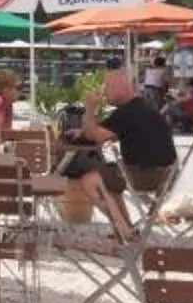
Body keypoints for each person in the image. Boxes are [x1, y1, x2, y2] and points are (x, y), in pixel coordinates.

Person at [58, 67, 177, 241]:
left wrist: (90, 109)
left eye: (108, 86)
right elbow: (109, 133)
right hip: (163, 174)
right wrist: (84, 132)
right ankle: (125, 229)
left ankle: (123, 230)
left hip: (147, 174)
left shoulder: (128, 112)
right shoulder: (140, 107)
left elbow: (94, 137)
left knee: (90, 179)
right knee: (110, 178)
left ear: (122, 87)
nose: (104, 92)